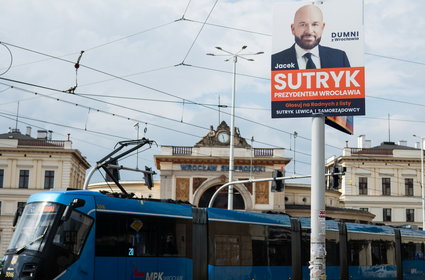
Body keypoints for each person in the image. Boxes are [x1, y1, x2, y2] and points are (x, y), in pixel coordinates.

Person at [272, 4, 350, 71]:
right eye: (303, 24)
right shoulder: (275, 61)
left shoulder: (340, 58)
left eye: (315, 24)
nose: (309, 31)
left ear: (322, 28)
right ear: (293, 29)